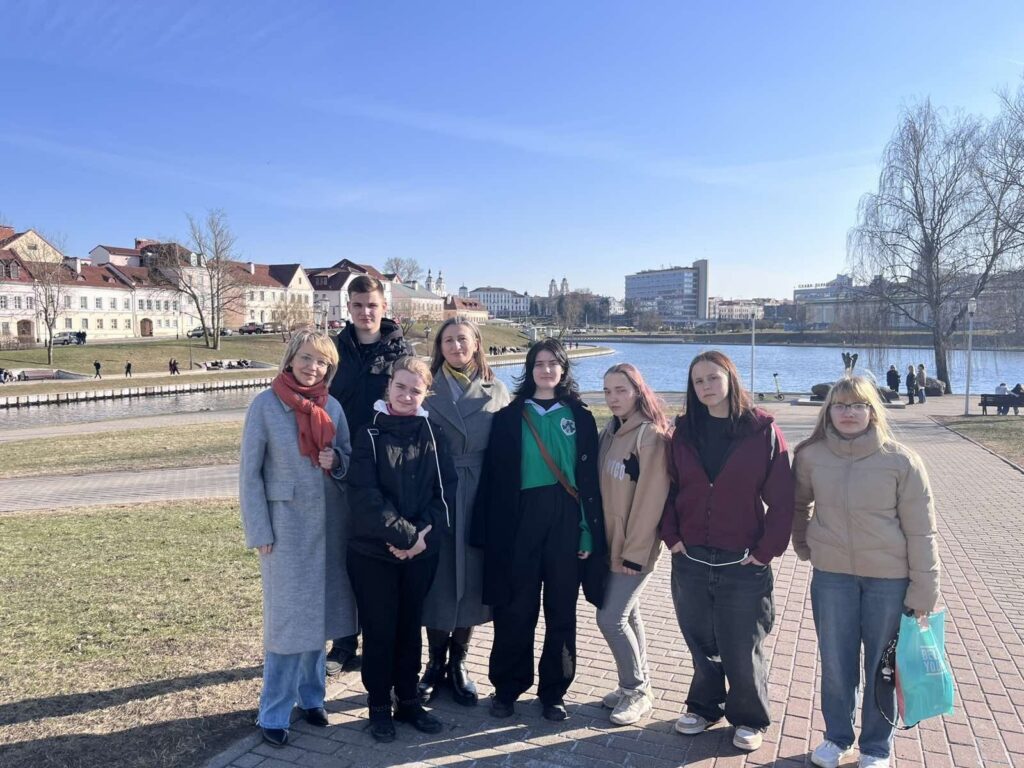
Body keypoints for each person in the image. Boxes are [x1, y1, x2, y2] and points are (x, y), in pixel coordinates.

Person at [792, 374, 940, 768]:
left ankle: (875, 747)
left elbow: (921, 530)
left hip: (889, 581)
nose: (849, 413)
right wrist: (804, 544)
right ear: (828, 411)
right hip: (832, 578)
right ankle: (837, 737)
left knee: (881, 667)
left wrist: (924, 588)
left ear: (872, 411)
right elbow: (798, 505)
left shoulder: (901, 461)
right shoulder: (810, 456)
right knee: (836, 663)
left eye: (858, 405)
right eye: (840, 405)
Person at [659, 350, 794, 753]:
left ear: (730, 379)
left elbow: (783, 499)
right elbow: (667, 488)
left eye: (713, 378)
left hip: (742, 560)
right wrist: (671, 536)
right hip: (691, 558)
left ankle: (750, 717)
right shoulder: (683, 432)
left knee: (742, 643)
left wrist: (766, 551)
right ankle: (704, 707)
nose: (706, 387)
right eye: (698, 381)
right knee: (701, 639)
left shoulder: (761, 430)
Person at [470, 338, 607, 722]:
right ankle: (507, 687)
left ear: (564, 369)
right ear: (529, 370)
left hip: (566, 519)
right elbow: (494, 480)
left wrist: (587, 532)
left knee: (561, 609)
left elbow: (589, 483)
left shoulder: (580, 417)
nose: (546, 370)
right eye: (539, 363)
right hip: (520, 520)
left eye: (553, 363)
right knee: (515, 608)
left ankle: (554, 691)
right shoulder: (509, 417)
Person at [239, 330, 355, 748]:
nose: (313, 367)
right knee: (288, 623)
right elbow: (249, 474)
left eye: (322, 361)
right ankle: (273, 710)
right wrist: (259, 530)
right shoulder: (265, 405)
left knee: (318, 616)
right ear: (290, 359)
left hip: (329, 527)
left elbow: (349, 460)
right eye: (306, 358)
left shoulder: (333, 407)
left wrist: (337, 460)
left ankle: (312, 697)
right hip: (285, 528)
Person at [346, 356, 457, 743]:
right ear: (389, 386)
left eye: (415, 390)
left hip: (421, 552)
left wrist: (420, 539)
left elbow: (445, 494)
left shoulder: (434, 434)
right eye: (401, 387)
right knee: (379, 631)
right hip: (372, 553)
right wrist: (405, 537)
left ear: (426, 393)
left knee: (410, 628)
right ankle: (379, 705)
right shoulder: (369, 434)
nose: (407, 395)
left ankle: (408, 701)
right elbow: (365, 497)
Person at [419, 317, 511, 707]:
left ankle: (459, 661)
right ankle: (433, 663)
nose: (456, 346)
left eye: (463, 339)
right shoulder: (424, 387)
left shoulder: (498, 389)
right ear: (439, 347)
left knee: (471, 579)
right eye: (448, 340)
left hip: (479, 495)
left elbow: (508, 448)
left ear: (476, 344)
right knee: (438, 579)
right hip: (436, 490)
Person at [327, 275, 412, 674]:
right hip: (341, 463)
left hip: (386, 466)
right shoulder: (334, 350)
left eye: (372, 305)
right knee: (344, 551)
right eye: (358, 305)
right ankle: (345, 639)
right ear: (349, 308)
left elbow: (413, 403)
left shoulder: (400, 352)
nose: (365, 312)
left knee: (383, 552)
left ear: (383, 307)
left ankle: (386, 640)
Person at [596, 363, 671, 726]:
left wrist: (636, 553)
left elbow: (651, 500)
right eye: (607, 391)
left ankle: (636, 690)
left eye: (621, 390)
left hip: (634, 547)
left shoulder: (649, 436)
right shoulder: (611, 432)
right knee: (630, 614)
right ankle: (637, 685)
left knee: (610, 619)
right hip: (611, 542)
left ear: (638, 391)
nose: (613, 398)